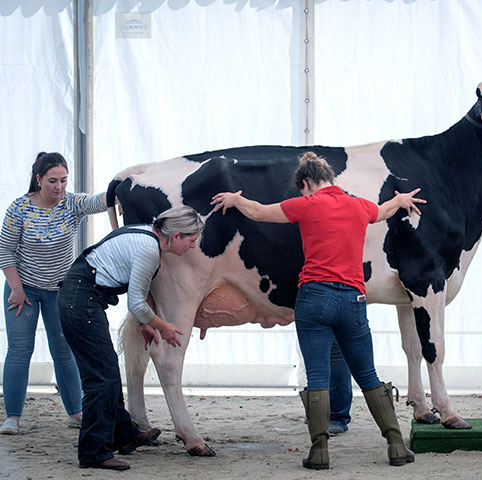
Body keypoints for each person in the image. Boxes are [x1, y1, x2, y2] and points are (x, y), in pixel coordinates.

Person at [211, 152, 425, 469]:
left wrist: (234, 199)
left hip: (314, 298)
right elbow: (384, 211)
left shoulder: (306, 205)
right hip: (353, 299)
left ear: (307, 183)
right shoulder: (358, 205)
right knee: (367, 374)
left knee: (317, 376)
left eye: (302, 189)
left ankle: (320, 452)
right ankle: (395, 445)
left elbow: (257, 211)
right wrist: (403, 199)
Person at [57, 205, 203, 470]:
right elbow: (136, 304)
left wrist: (147, 325)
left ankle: (124, 434)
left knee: (108, 371)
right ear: (176, 236)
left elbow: (131, 290)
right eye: (191, 240)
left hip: (80, 297)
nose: (192, 247)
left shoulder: (143, 233)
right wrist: (163, 326)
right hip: (81, 302)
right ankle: (94, 453)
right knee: (101, 379)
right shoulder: (150, 251)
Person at [0, 152, 108, 435]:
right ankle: (13, 417)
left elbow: (102, 200)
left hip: (60, 292)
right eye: (52, 181)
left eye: (63, 180)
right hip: (22, 289)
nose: (59, 186)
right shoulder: (19, 209)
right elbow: (5, 250)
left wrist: (127, 182)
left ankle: (75, 413)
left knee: (64, 352)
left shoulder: (72, 204)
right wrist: (17, 289)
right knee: (20, 350)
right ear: (38, 180)